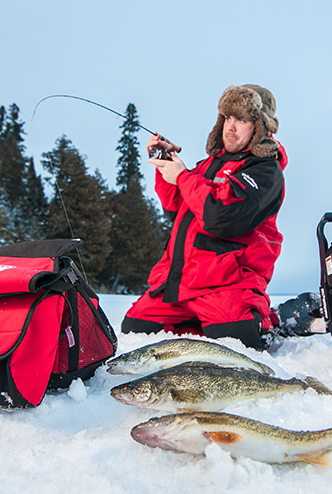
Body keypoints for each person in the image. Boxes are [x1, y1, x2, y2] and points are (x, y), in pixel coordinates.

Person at [121, 84, 287, 350]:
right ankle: (200, 323)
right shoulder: (208, 165)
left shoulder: (265, 171)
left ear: (260, 127)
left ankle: (268, 320)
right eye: (228, 117)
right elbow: (176, 208)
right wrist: (166, 164)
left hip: (227, 284)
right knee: (135, 330)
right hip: (179, 283)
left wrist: (183, 176)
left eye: (242, 119)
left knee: (239, 342)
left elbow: (223, 217)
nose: (231, 126)